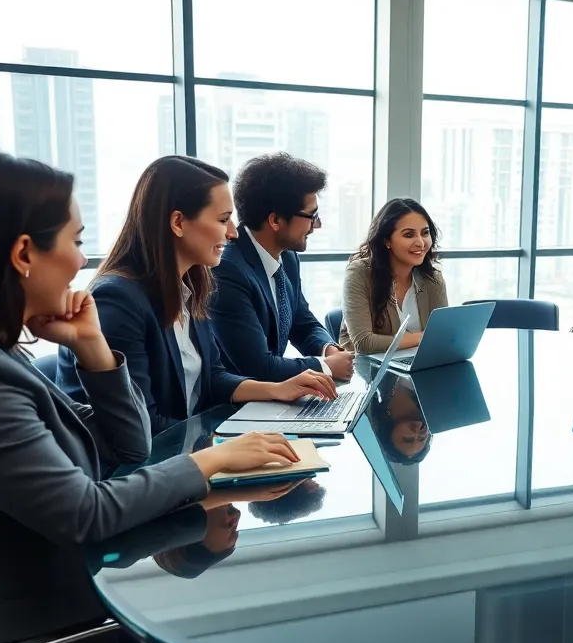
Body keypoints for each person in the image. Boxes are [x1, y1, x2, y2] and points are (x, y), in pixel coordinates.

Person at [0, 149, 297, 643]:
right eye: (74, 239)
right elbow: (86, 513)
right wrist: (212, 463)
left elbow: (129, 451)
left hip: (38, 602)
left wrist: (94, 350)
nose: (81, 260)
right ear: (22, 254)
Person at [57, 155, 337, 435]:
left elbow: (212, 377)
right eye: (223, 220)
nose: (232, 233)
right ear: (178, 222)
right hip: (141, 468)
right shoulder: (117, 301)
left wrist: (278, 390)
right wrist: (219, 447)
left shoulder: (192, 284)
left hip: (185, 452)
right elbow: (142, 426)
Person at [210, 152, 353, 382]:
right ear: (275, 220)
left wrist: (328, 349)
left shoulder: (287, 257)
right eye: (311, 215)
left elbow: (302, 322)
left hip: (272, 398)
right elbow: (258, 367)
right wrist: (324, 367)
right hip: (233, 408)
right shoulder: (228, 270)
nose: (317, 224)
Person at [341, 198, 448, 354]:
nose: (420, 242)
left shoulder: (433, 279)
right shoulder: (359, 273)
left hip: (418, 366)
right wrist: (423, 337)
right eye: (409, 235)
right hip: (367, 370)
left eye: (425, 233)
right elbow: (364, 343)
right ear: (387, 241)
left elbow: (443, 335)